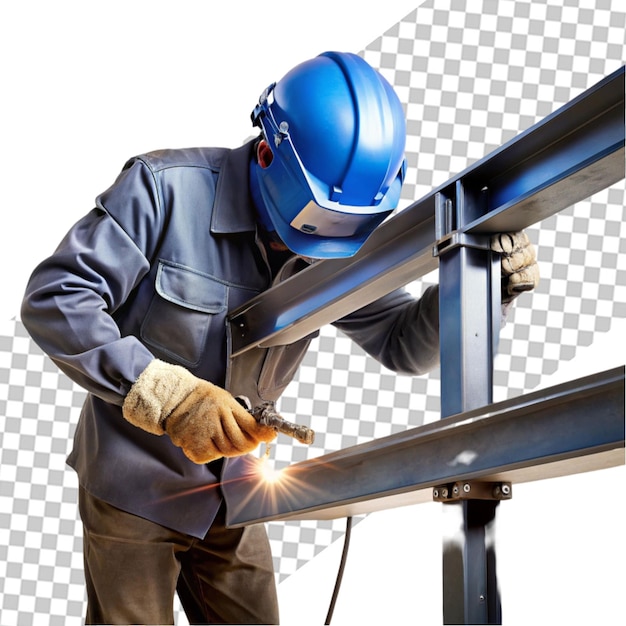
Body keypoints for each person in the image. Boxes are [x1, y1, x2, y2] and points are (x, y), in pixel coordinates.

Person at [21, 51, 538, 625]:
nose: (314, 248)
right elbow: (56, 299)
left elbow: (404, 344)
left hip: (238, 493)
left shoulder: (336, 240)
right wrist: (169, 396)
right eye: (315, 221)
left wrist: (485, 293)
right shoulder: (163, 190)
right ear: (267, 152)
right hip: (132, 484)